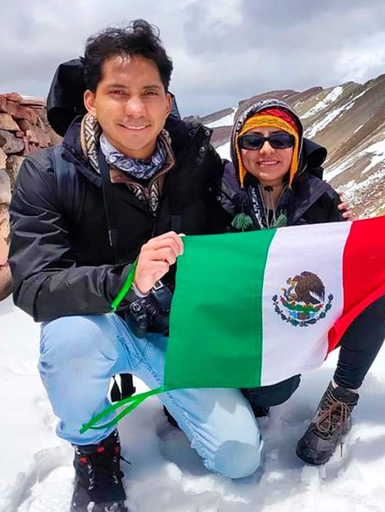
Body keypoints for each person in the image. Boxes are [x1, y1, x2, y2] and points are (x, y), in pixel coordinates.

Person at [8, 21, 345, 512]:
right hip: (101, 324)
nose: (136, 109)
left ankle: (177, 398)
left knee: (239, 460)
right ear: (90, 100)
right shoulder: (47, 175)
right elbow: (35, 287)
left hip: (179, 332)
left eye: (150, 92)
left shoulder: (196, 162)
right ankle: (95, 449)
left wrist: (319, 214)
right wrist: (127, 279)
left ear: (168, 101)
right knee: (70, 342)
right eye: (118, 92)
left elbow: (246, 208)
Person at [221, 98, 385, 466]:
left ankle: (339, 401)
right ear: (239, 149)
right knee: (269, 392)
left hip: (293, 315)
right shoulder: (217, 196)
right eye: (253, 141)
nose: (266, 149)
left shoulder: (320, 199)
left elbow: (356, 267)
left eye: (280, 140)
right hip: (239, 324)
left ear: (297, 146)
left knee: (373, 304)